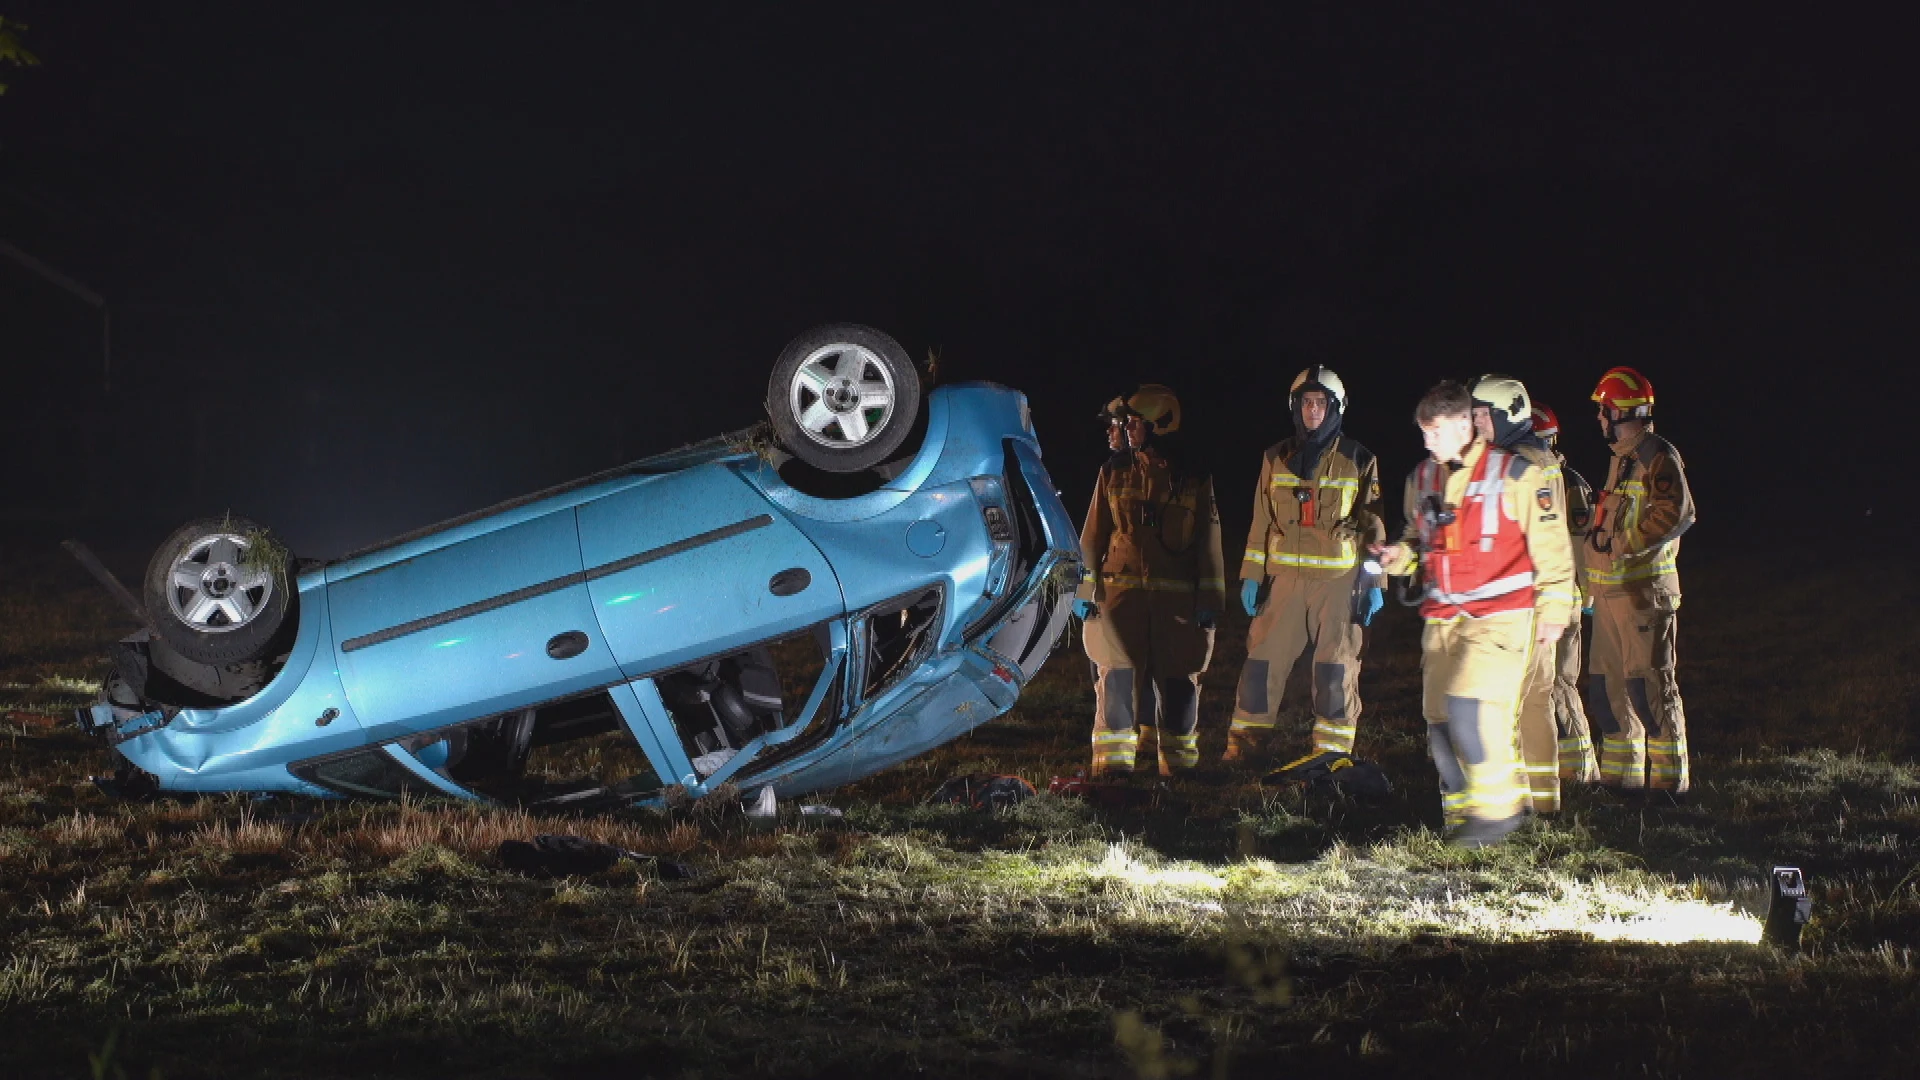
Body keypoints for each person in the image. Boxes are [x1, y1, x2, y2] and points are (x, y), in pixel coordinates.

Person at [1372, 380, 1575, 848]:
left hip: (1501, 617)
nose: (1427, 443)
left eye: (1436, 432)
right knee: (1440, 719)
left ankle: (1499, 812)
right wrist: (1396, 558)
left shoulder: (1518, 475)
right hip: (1443, 620)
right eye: (1423, 433)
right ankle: (1465, 822)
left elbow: (1553, 548)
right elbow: (1417, 540)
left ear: (1465, 424)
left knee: (1473, 707)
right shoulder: (1423, 478)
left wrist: (1555, 608)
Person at [1225, 366, 1385, 763]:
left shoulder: (1358, 459)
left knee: (1335, 668)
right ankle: (1244, 748)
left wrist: (1374, 583)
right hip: (1284, 583)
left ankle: (1331, 755)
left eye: (1321, 403)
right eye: (1306, 403)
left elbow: (1373, 525)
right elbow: (1261, 521)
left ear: (1336, 408)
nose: (1313, 410)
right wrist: (1250, 576)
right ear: (1295, 407)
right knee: (1261, 663)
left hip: (1337, 583)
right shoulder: (1274, 457)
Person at [1075, 384, 1227, 776]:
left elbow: (1209, 542)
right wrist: (1084, 589)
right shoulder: (1113, 472)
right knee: (1118, 678)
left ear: (1159, 426)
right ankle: (1113, 769)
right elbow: (1093, 535)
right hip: (1121, 599)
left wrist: (1211, 597)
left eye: (1134, 423)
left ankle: (1179, 770)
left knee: (1178, 682)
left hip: (1175, 606)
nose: (1126, 430)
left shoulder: (1193, 478)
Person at [1468, 375, 1577, 815]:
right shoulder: (1542, 458)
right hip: (1543, 599)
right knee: (1536, 702)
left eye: (1481, 415)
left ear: (1506, 415)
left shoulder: (1513, 465)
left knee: (1503, 705)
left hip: (1514, 603)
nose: (1475, 423)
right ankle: (1545, 804)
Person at [1584, 366, 1696, 794]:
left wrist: (1625, 543)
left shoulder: (1657, 456)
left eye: (1603, 411)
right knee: (1610, 692)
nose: (1599, 420)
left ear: (1619, 411)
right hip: (1612, 595)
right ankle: (1622, 784)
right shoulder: (1623, 458)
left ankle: (1670, 789)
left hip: (1644, 594)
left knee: (1649, 689)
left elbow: (1677, 514)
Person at [1531, 404, 1600, 783]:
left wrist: (1586, 596)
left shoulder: (1564, 482)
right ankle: (1561, 767)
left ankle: (1582, 771)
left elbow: (1579, 544)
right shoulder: (1545, 478)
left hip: (1563, 602)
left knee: (1559, 684)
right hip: (1544, 602)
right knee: (1544, 687)